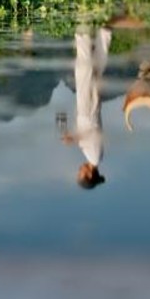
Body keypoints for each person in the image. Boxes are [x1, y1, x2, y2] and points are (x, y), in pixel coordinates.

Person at [60, 27, 112, 189]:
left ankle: (104, 33)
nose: (79, 170)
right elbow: (93, 133)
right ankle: (83, 34)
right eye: (80, 174)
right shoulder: (94, 156)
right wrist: (75, 138)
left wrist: (74, 137)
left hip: (89, 111)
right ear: (89, 175)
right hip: (88, 112)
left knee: (94, 72)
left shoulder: (94, 157)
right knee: (85, 71)